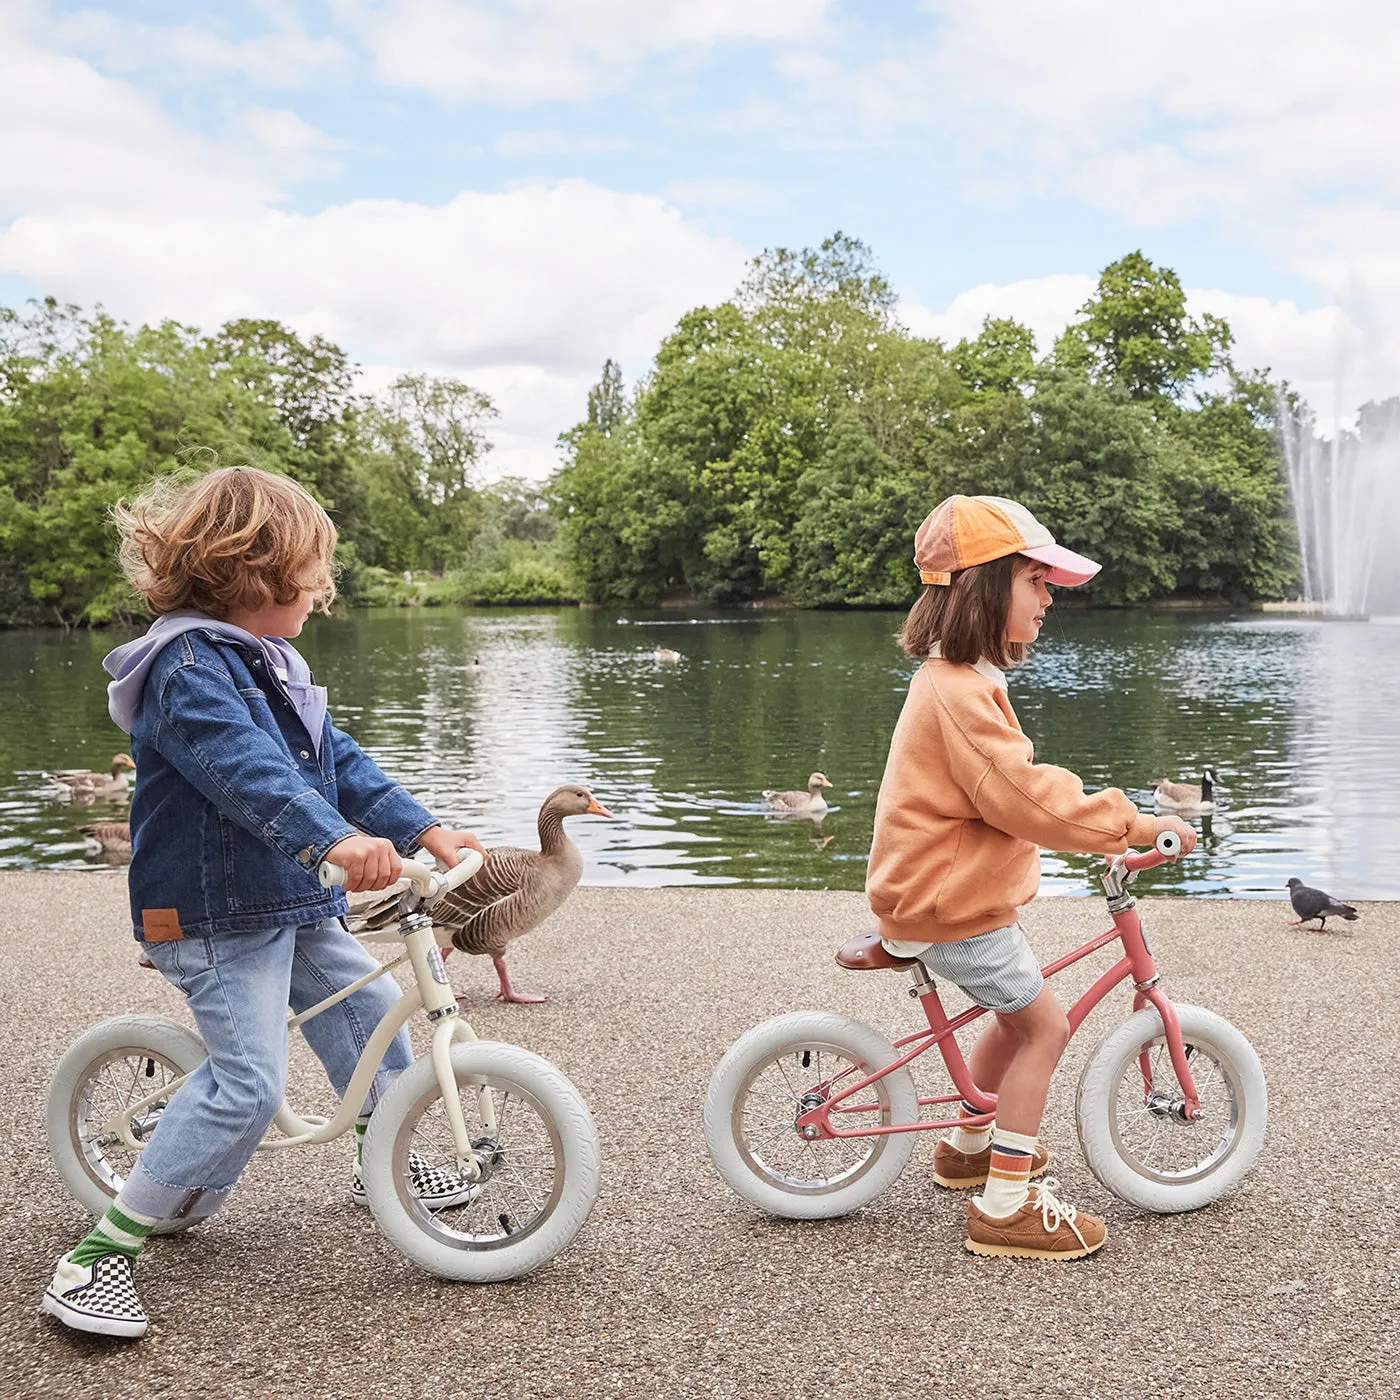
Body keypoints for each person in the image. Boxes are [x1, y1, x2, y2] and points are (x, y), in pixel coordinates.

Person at [42, 465, 485, 1339]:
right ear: (253, 576)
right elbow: (250, 776)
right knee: (248, 1085)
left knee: (365, 1016)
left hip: (285, 896)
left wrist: (425, 828)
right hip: (211, 915)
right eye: (312, 575)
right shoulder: (188, 670)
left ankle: (379, 1153)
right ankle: (96, 1259)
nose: (323, 593)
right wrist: (332, 843)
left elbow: (338, 761)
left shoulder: (269, 660)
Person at [865, 494, 1197, 1261]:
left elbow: (1010, 795)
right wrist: (1134, 825)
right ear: (986, 589)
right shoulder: (958, 693)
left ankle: (968, 1148)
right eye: (1036, 582)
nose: (1049, 598)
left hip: (939, 893)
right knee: (1045, 1026)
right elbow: (1026, 798)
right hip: (950, 904)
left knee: (1014, 1020)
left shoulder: (956, 678)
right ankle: (1007, 1207)